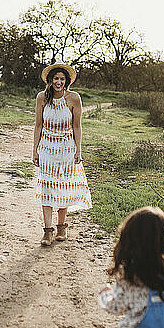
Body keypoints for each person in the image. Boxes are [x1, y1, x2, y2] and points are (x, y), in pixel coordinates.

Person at [33, 61, 92, 246]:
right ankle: (47, 231)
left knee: (64, 187)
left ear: (66, 81)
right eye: (56, 78)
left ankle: (61, 227)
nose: (59, 82)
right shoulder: (42, 97)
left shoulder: (74, 98)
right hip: (47, 148)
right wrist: (34, 150)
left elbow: (77, 126)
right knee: (48, 188)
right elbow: (38, 125)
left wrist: (78, 150)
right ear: (50, 80)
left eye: (62, 79)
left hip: (67, 148)